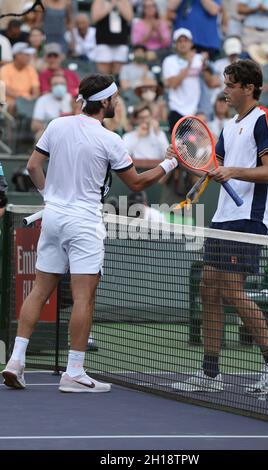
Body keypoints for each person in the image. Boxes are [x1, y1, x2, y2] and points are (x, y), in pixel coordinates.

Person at [2, 73, 178, 393]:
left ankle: (16, 360)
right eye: (115, 99)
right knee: (85, 297)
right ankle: (74, 372)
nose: (118, 103)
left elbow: (32, 167)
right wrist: (169, 165)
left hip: (53, 218)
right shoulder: (110, 139)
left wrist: (49, 197)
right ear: (105, 102)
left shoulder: (56, 125)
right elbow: (137, 183)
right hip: (84, 223)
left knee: (40, 291)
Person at [172, 59, 268, 395]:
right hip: (222, 219)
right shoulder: (227, 127)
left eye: (230, 85)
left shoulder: (264, 119)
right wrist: (187, 166)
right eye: (225, 84)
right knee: (209, 289)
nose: (224, 90)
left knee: (232, 290)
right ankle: (211, 373)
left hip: (249, 219)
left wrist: (232, 172)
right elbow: (216, 170)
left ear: (248, 87)